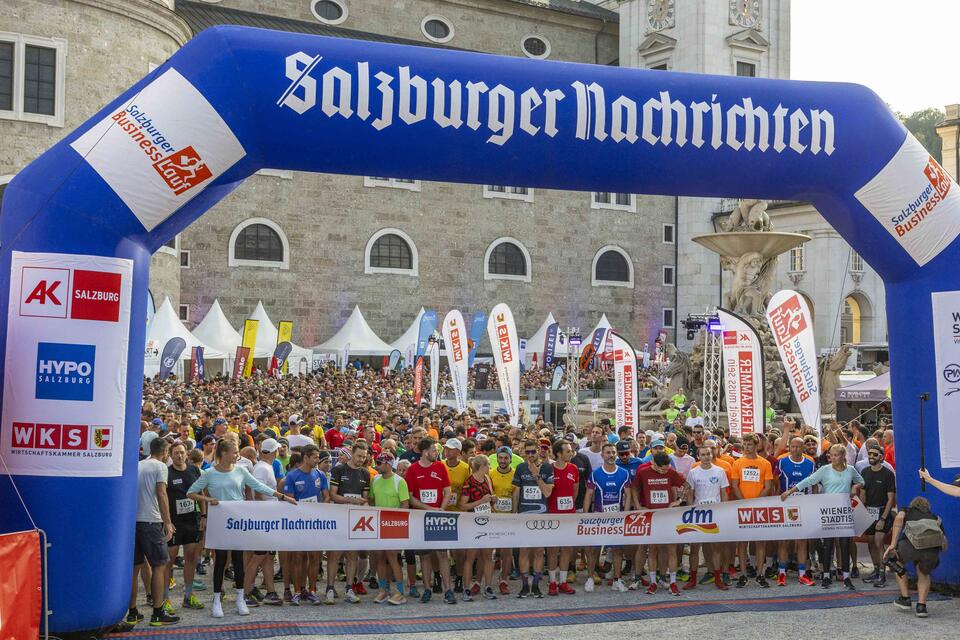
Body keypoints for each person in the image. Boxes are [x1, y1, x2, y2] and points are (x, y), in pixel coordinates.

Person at [187, 439, 296, 618]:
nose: (238, 455)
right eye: (235, 452)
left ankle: (240, 598)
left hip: (237, 521)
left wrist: (282, 497)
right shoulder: (208, 473)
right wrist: (208, 501)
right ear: (223, 453)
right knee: (221, 560)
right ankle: (216, 600)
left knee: (238, 560)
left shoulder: (241, 470)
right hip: (220, 521)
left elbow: (259, 486)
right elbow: (190, 492)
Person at [781, 443, 863, 590]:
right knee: (828, 545)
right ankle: (826, 576)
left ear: (843, 456)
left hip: (843, 512)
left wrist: (855, 486)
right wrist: (790, 491)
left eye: (836, 455)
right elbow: (808, 481)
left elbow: (861, 481)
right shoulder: (825, 470)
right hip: (828, 511)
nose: (832, 457)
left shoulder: (850, 470)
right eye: (831, 455)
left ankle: (846, 577)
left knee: (844, 545)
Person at [130, 437, 179, 627]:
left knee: (134, 569)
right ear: (165, 452)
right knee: (160, 565)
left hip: (134, 521)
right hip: (151, 521)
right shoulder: (160, 467)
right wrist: (167, 521)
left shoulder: (138, 465)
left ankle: (133, 612)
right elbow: (161, 492)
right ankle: (158, 612)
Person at [405, 437, 457, 604]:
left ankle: (448, 589)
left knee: (443, 554)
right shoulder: (412, 470)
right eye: (434, 450)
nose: (437, 453)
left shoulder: (440, 466)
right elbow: (411, 498)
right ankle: (427, 589)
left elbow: (447, 491)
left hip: (439, 518)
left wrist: (440, 508)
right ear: (426, 452)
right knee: (425, 556)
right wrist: (429, 509)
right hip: (421, 518)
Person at [582, 442, 631, 593]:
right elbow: (589, 495)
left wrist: (625, 514)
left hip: (616, 518)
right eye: (608, 453)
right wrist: (585, 515)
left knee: (617, 550)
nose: (611, 455)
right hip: (599, 517)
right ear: (602, 455)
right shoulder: (596, 473)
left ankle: (617, 579)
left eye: (613, 452)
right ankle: (590, 577)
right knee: (593, 550)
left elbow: (628, 495)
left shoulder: (624, 473)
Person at [888, 495, 947, 618]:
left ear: (913, 505)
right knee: (923, 573)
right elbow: (944, 543)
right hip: (931, 551)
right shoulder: (935, 517)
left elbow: (899, 517)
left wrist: (892, 545)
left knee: (895, 562)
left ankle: (905, 599)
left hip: (908, 546)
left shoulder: (907, 510)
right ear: (928, 507)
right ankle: (921, 607)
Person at [281, 444, 327, 605]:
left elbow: (326, 496)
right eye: (314, 457)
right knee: (298, 557)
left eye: (318, 456)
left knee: (315, 557)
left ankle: (313, 590)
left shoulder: (320, 475)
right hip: (299, 523)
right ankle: (298, 591)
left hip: (315, 523)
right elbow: (290, 499)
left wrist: (318, 510)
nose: (317, 459)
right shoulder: (292, 476)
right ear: (305, 457)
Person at [328, 441, 372, 604]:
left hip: (355, 519)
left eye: (364, 457)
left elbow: (365, 498)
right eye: (359, 456)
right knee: (335, 554)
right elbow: (333, 495)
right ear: (352, 454)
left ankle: (349, 588)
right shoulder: (339, 469)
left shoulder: (365, 473)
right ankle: (330, 589)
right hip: (339, 516)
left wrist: (361, 503)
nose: (361, 459)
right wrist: (350, 501)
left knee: (352, 554)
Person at [731, 433, 776, 588]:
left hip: (759, 507)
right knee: (742, 543)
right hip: (743, 507)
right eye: (744, 444)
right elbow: (735, 485)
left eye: (749, 444)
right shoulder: (737, 463)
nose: (746, 447)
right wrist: (744, 502)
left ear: (757, 445)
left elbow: (768, 486)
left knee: (760, 542)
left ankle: (760, 574)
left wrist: (756, 502)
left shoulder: (765, 463)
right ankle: (743, 574)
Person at [165, 441, 204, 613]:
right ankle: (165, 599)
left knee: (191, 557)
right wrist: (166, 521)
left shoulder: (194, 470)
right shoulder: (166, 473)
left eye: (182, 452)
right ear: (170, 455)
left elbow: (201, 493)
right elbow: (162, 498)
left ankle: (188, 596)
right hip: (174, 523)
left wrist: (204, 515)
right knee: (169, 561)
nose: (179, 456)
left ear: (187, 454)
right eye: (176, 453)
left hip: (191, 521)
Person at [512, 438, 554, 598]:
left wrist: (537, 476)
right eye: (527, 452)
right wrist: (514, 513)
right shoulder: (520, 468)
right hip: (523, 515)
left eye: (532, 452)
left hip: (541, 515)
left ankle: (535, 585)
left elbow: (548, 493)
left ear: (538, 450)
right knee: (523, 550)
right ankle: (524, 586)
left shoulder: (547, 468)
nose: (530, 455)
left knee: (538, 550)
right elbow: (516, 493)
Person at [684, 445, 729, 591]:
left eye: (708, 454)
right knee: (694, 549)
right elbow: (690, 494)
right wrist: (691, 512)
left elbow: (724, 493)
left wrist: (725, 511)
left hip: (715, 514)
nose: (706, 457)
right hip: (698, 515)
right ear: (699, 456)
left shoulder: (720, 471)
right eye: (703, 454)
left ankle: (718, 578)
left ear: (712, 454)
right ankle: (693, 579)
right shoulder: (693, 472)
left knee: (716, 548)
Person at [369, 451, 409, 605]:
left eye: (379, 463)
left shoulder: (400, 481)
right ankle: (383, 590)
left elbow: (405, 506)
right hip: (379, 524)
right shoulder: (376, 480)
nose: (376, 466)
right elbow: (372, 501)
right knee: (380, 556)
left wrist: (397, 525)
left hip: (394, 525)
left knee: (392, 557)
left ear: (387, 464)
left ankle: (400, 592)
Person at [775, 437, 817, 586]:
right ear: (789, 447)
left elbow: (814, 484)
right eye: (792, 446)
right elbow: (775, 483)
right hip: (785, 506)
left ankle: (802, 573)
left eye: (798, 447)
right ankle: (781, 573)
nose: (795, 449)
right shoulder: (782, 462)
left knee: (801, 541)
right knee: (784, 541)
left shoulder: (810, 463)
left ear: (803, 448)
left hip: (803, 506)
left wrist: (813, 503)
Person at [459, 455, 498, 601]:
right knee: (471, 557)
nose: (490, 467)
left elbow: (490, 497)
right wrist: (481, 501)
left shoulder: (487, 479)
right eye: (488, 465)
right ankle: (467, 588)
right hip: (473, 522)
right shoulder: (469, 481)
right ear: (481, 467)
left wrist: (493, 499)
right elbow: (463, 505)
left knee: (488, 556)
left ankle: (488, 586)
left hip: (487, 520)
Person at [861, 444, 896, 587]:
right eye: (870, 454)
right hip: (868, 511)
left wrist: (883, 518)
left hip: (882, 511)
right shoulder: (864, 471)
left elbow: (890, 499)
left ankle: (882, 574)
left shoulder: (888, 474)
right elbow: (863, 494)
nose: (871, 457)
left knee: (878, 542)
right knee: (870, 543)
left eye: (875, 454)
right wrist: (861, 512)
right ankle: (876, 570)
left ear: (881, 457)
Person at [546, 440, 578, 596]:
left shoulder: (573, 469)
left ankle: (563, 582)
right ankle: (553, 582)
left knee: (566, 549)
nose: (571, 453)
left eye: (571, 451)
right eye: (567, 451)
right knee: (553, 550)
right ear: (558, 453)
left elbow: (575, 491)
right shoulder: (549, 469)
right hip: (553, 515)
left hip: (569, 516)